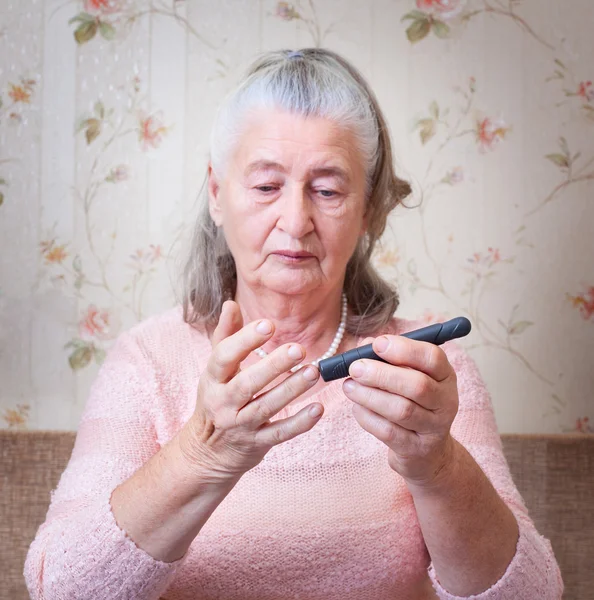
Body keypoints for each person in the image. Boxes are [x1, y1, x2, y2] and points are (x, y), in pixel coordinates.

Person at [24, 48, 563, 600]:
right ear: (217, 194)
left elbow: (533, 594)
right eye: (265, 187)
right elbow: (59, 588)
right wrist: (203, 455)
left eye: (327, 190)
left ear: (370, 211)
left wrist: (439, 465)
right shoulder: (146, 362)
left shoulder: (425, 380)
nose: (295, 220)